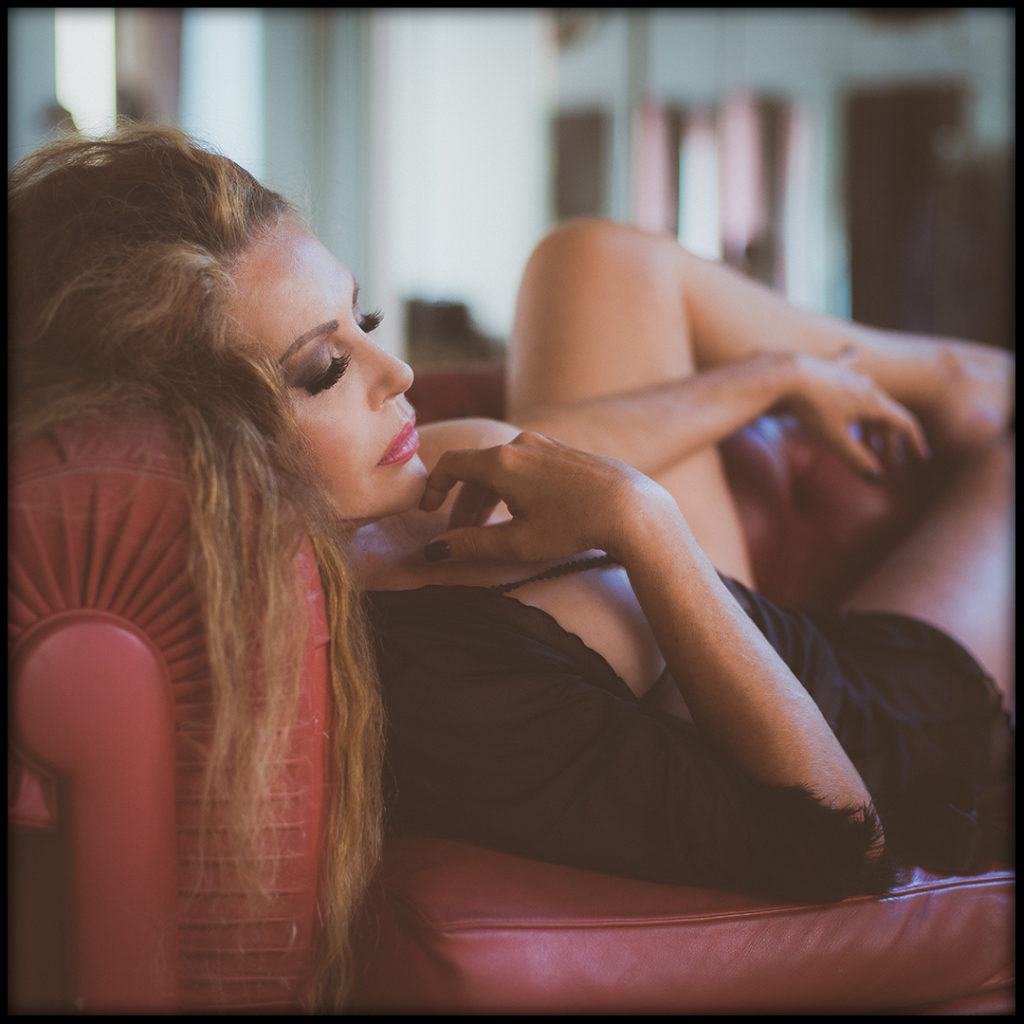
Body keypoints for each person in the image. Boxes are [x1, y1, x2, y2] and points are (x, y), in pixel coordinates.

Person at [9, 125, 1013, 1005]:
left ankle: (928, 372)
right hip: (903, 727)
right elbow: (842, 846)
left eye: (364, 323)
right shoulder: (437, 682)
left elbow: (552, 450)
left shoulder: (385, 501)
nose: (398, 373)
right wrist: (643, 522)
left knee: (589, 260)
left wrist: (773, 379)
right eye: (326, 367)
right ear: (208, 448)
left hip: (789, 637)